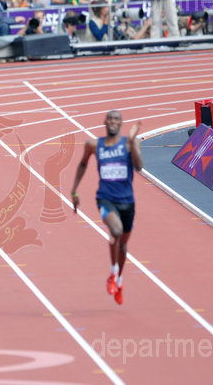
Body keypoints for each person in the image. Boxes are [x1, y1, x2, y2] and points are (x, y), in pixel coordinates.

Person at [71, 111, 142, 305]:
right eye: (110, 118)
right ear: (105, 122)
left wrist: (133, 142)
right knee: (116, 231)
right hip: (105, 198)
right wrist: (74, 191)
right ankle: (112, 273)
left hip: (127, 202)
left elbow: (139, 166)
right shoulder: (94, 145)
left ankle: (119, 281)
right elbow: (82, 164)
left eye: (116, 119)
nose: (112, 121)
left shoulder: (130, 143)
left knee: (123, 245)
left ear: (121, 123)